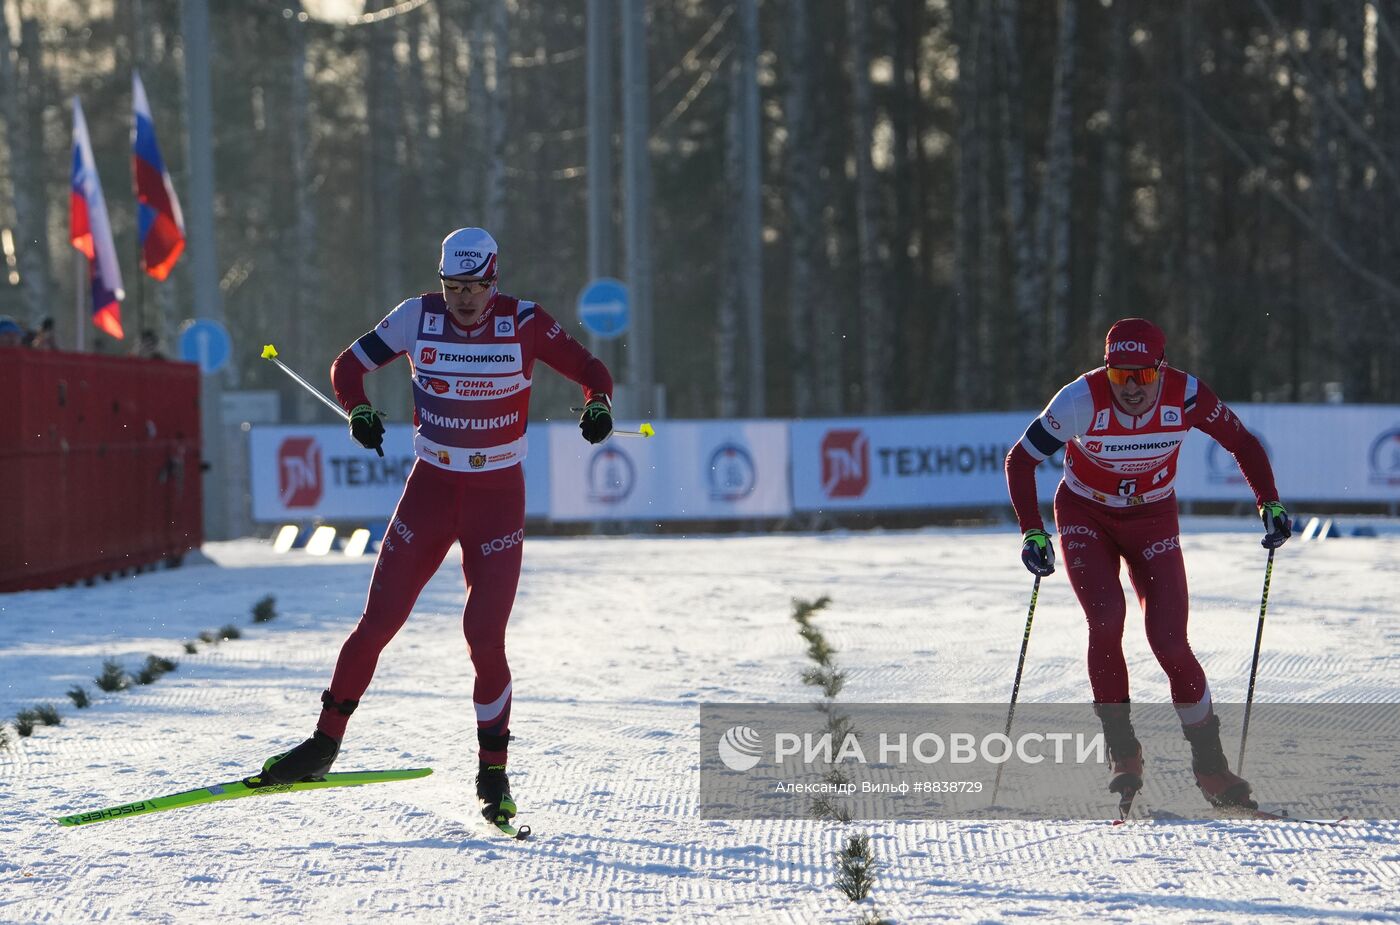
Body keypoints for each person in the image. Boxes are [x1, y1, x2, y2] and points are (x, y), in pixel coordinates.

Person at [260, 228, 615, 830]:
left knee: (483, 633)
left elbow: (589, 368)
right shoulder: (416, 317)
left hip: (497, 498)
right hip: (431, 489)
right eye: (453, 288)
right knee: (378, 621)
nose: (463, 301)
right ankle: (323, 744)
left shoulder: (525, 322)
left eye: (473, 288)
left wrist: (598, 403)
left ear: (493, 282)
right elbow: (348, 366)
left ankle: (494, 774)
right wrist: (359, 409)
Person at [1004, 318, 1291, 810]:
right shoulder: (1080, 400)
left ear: (1162, 368)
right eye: (1120, 377)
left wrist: (1269, 502)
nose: (1132, 388)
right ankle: (1123, 752)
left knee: (1170, 642)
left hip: (1153, 517)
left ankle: (1211, 767)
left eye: (1142, 376)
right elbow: (1021, 460)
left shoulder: (1188, 394)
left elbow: (1242, 443)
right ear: (1106, 370)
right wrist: (1033, 530)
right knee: (1106, 620)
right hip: (1085, 514)